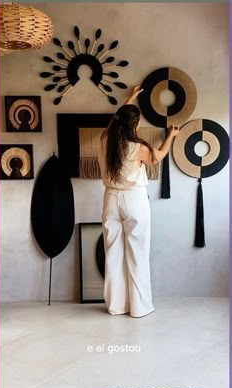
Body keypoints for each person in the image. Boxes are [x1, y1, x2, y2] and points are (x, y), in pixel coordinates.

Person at [98, 86, 179, 318]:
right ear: (134, 125)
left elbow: (116, 121)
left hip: (110, 199)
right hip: (134, 199)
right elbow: (159, 157)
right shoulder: (139, 148)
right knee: (137, 253)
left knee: (112, 253)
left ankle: (116, 306)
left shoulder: (106, 140)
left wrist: (131, 98)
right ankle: (139, 307)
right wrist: (171, 136)